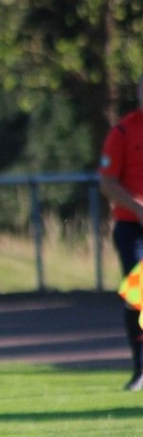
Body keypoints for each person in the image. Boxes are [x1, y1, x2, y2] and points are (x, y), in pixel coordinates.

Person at [99, 73, 143, 391]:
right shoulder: (123, 131)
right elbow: (107, 183)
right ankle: (141, 368)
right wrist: (138, 209)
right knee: (139, 296)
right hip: (133, 228)